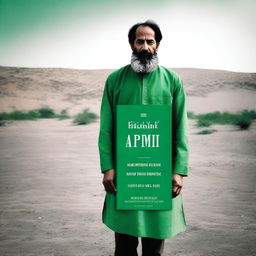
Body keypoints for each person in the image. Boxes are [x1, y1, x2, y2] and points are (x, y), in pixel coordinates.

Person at [98, 20, 189, 256]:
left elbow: (180, 129)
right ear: (132, 44)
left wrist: (178, 170)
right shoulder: (115, 80)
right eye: (140, 41)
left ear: (157, 45)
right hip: (125, 172)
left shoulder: (172, 81)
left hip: (160, 172)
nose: (145, 46)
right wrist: (108, 167)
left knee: (153, 247)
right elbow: (107, 128)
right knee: (125, 246)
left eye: (150, 41)